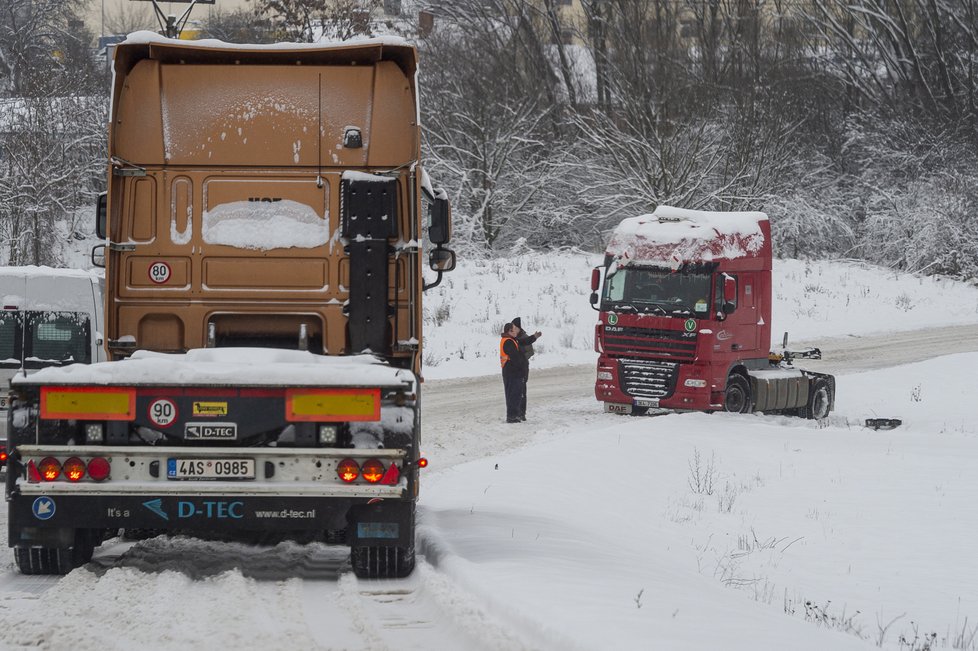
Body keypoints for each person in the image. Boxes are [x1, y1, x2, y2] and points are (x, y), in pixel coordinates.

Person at [511, 317, 542, 421]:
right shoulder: (513, 338)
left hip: (523, 368)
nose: (513, 329)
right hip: (515, 368)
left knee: (522, 391)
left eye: (514, 327)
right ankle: (516, 412)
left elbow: (530, 352)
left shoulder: (524, 337)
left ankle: (522, 413)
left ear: (518, 328)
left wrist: (521, 358)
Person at [499, 322, 525, 423]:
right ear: (510, 331)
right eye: (514, 329)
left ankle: (514, 415)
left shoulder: (510, 340)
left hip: (511, 371)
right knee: (513, 395)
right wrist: (521, 367)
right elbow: (515, 358)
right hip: (512, 372)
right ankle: (512, 417)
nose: (516, 331)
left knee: (514, 395)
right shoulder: (508, 342)